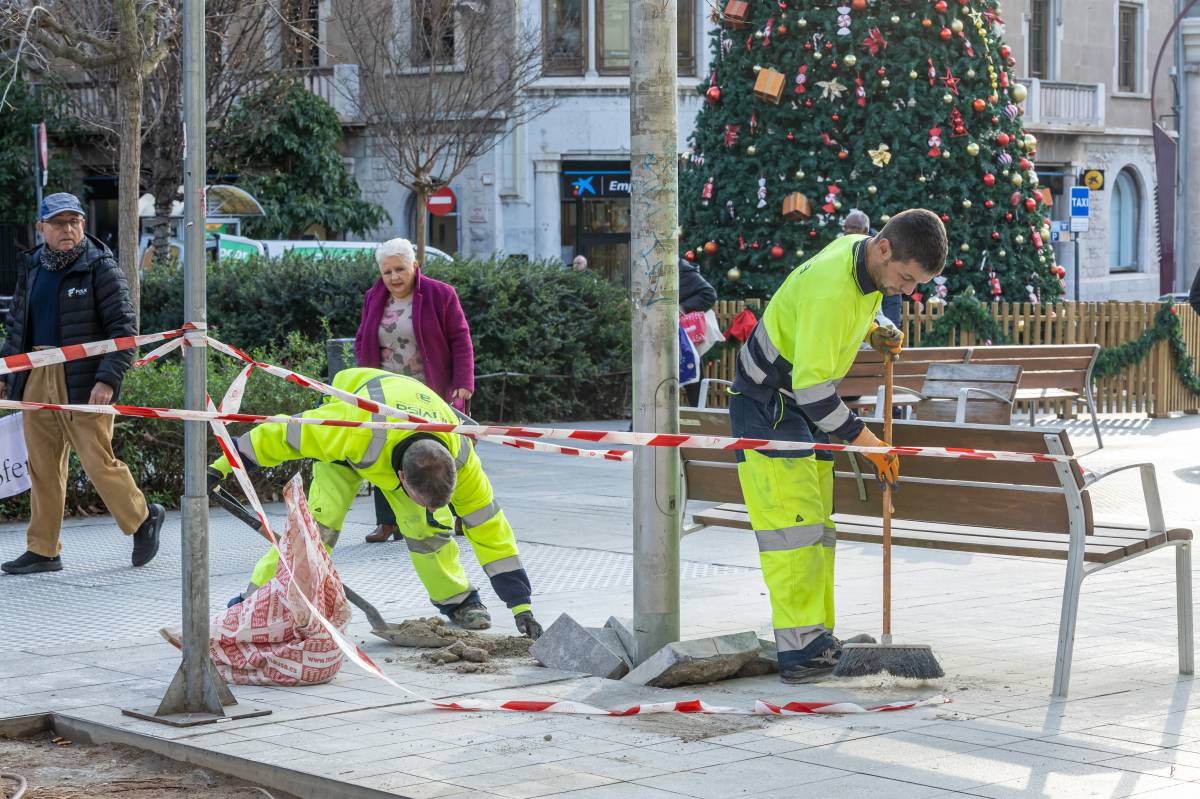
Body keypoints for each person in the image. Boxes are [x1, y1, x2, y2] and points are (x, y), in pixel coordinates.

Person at [730, 208, 946, 682]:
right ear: (884, 249)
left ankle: (817, 639)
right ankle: (800, 650)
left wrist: (874, 330)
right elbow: (812, 390)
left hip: (797, 403)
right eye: (906, 278)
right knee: (792, 532)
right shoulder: (832, 286)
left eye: (916, 284)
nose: (908, 291)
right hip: (770, 404)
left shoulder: (860, 256)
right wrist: (870, 444)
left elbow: (848, 311)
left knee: (815, 527)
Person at [208, 367, 543, 639]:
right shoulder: (346, 427)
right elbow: (277, 436)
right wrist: (219, 468)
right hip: (353, 440)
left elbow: (490, 530)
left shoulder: (462, 459)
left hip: (400, 437)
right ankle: (253, 601)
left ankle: (459, 601)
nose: (429, 506)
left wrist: (521, 605)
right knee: (315, 532)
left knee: (429, 529)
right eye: (422, 500)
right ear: (401, 477)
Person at [0, 193, 165, 575]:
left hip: (84, 378)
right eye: (59, 223)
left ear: (83, 225)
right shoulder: (32, 267)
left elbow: (124, 330)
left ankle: (143, 518)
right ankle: (43, 550)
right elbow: (17, 328)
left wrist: (108, 378)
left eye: (74, 221)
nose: (68, 229)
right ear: (41, 228)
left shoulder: (100, 267)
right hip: (35, 373)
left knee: (96, 460)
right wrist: (7, 375)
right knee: (42, 467)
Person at [354, 238, 474, 544]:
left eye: (400, 269)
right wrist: (362, 380)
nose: (394, 277)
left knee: (442, 451)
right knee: (383, 450)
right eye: (387, 272)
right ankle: (387, 522)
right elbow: (362, 338)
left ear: (414, 266)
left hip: (430, 390)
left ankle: (457, 513)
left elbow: (460, 339)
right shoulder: (373, 297)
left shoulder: (440, 294)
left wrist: (463, 383)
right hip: (385, 392)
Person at [844, 209, 901, 329]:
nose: (848, 231)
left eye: (854, 227)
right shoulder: (843, 249)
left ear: (865, 230)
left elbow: (892, 292)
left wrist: (890, 327)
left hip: (875, 319)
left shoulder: (883, 253)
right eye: (845, 227)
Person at [679, 255, 718, 407]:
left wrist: (682, 308)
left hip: (681, 335)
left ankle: (700, 414)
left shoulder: (683, 271)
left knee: (693, 377)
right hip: (668, 334)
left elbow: (709, 294)